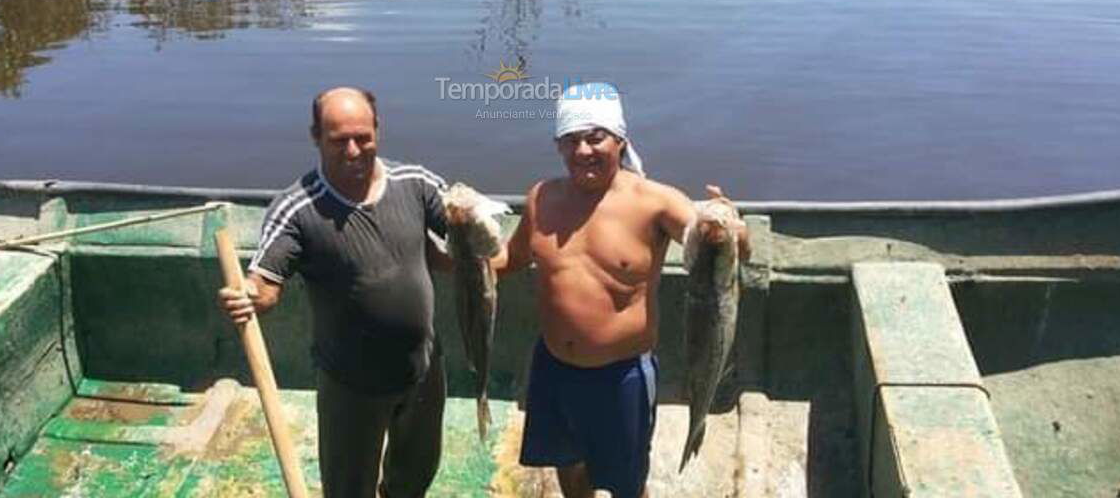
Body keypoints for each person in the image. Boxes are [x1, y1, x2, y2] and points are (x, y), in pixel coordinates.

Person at [490, 82, 748, 498]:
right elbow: (513, 258)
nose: (583, 151)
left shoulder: (655, 201)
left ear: (620, 141)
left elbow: (713, 242)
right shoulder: (542, 198)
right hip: (554, 368)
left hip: (622, 377)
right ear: (558, 145)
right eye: (571, 140)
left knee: (628, 485)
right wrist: (451, 259)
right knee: (568, 468)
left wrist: (731, 228)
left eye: (595, 139)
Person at [218, 87, 451, 498]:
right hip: (351, 385)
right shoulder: (298, 207)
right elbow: (267, 285)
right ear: (315, 138)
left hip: (423, 371)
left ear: (378, 130)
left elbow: (465, 228)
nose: (353, 150)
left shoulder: (416, 183)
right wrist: (250, 295)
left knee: (414, 477)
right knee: (347, 489)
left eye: (363, 137)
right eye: (338, 140)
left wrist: (473, 217)